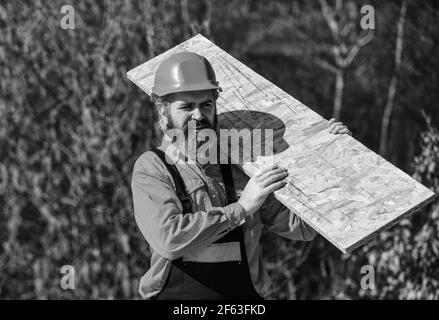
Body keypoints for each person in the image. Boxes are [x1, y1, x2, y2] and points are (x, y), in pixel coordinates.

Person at [131, 52, 352, 300]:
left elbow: (303, 228)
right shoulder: (153, 168)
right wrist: (242, 207)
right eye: (186, 106)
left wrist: (330, 158)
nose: (198, 115)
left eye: (206, 104)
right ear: (164, 112)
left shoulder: (241, 167)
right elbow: (169, 239)